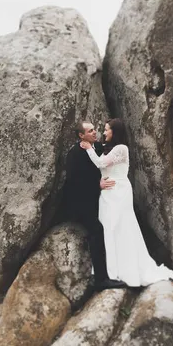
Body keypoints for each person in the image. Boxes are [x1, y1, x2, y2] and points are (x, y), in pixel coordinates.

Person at [80, 118, 173, 287]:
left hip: (119, 192)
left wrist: (89, 149)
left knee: (121, 227)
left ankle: (125, 270)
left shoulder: (121, 149)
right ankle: (110, 271)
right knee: (108, 228)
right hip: (106, 194)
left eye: (106, 129)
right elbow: (102, 170)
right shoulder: (107, 148)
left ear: (115, 132)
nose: (103, 133)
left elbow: (101, 163)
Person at [61, 121, 126, 290]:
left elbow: (103, 160)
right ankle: (101, 280)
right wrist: (97, 184)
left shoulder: (96, 147)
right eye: (90, 131)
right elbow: (74, 181)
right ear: (81, 135)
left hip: (99, 200)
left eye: (94, 130)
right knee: (97, 232)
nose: (94, 132)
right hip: (81, 203)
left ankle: (118, 270)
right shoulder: (74, 154)